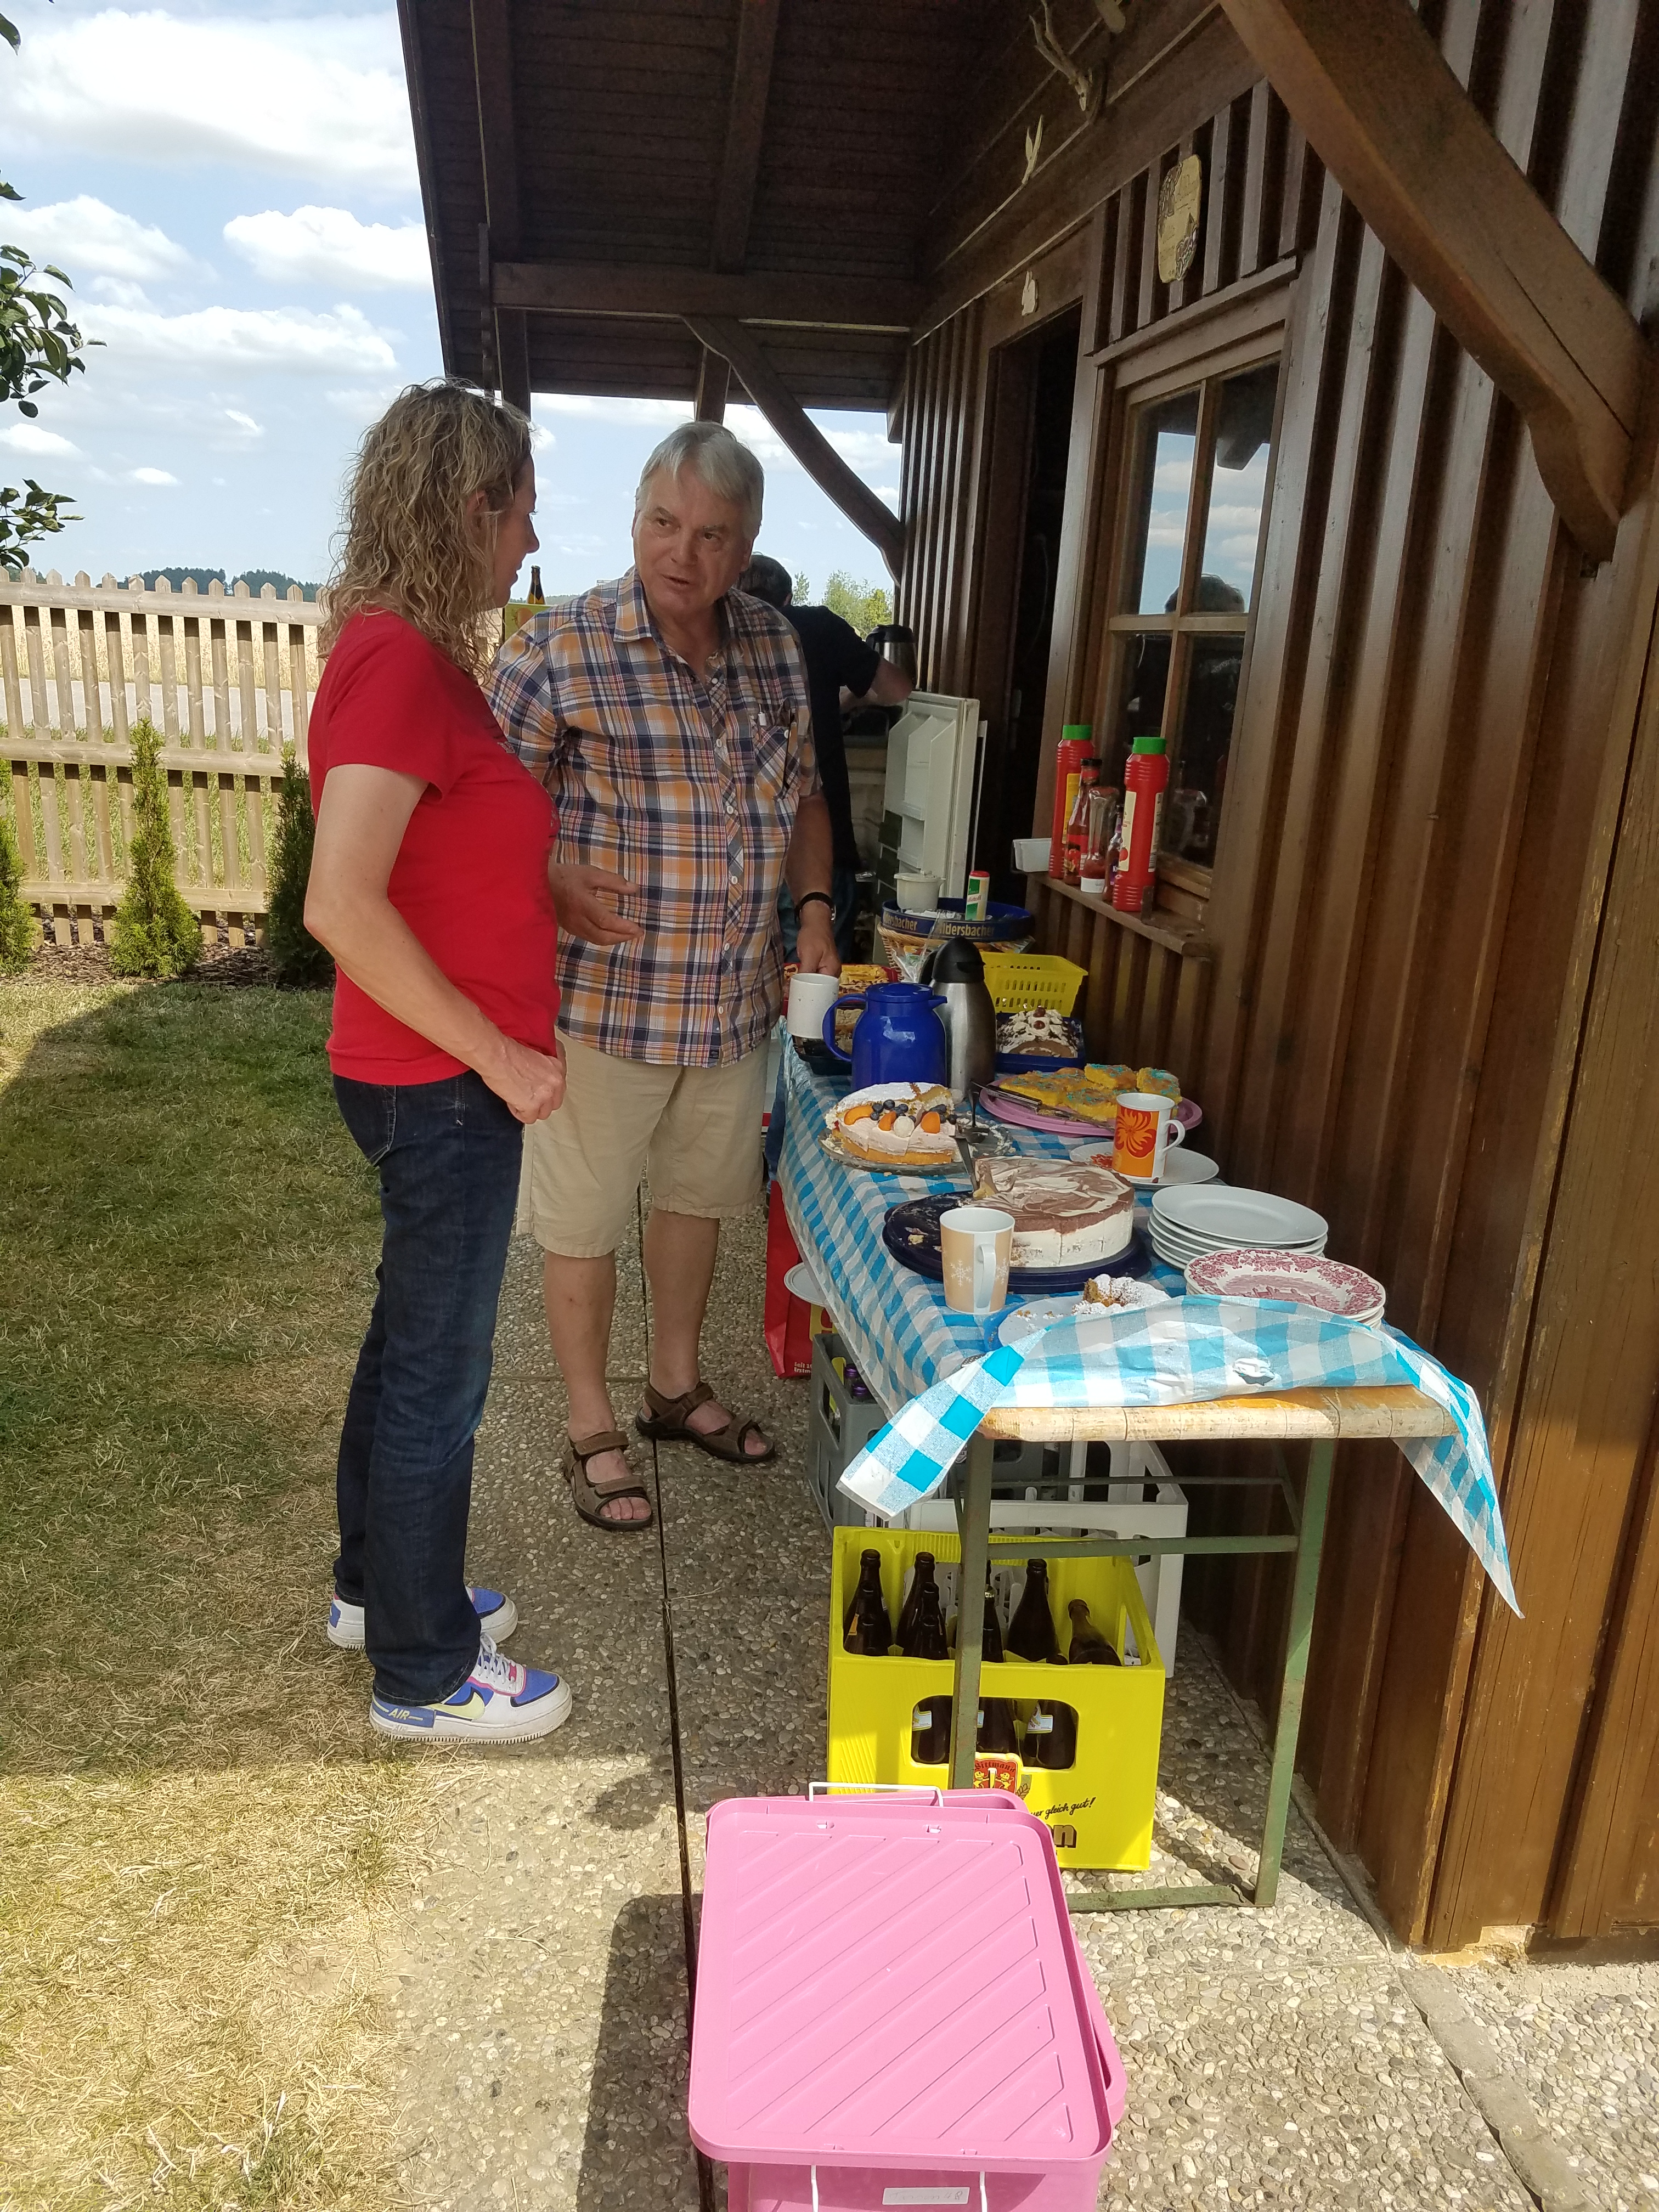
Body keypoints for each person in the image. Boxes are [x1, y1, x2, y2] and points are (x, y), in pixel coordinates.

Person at [488, 422, 838, 1532]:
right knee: (584, 1217)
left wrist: (814, 910)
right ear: (634, 516)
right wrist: (547, 873)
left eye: (712, 535)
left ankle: (674, 1386)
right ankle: (590, 1420)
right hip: (604, 1002)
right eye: (662, 523)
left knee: (698, 1201)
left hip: (731, 1004)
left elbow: (807, 796)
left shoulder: (774, 646)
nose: (682, 553)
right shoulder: (560, 645)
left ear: (747, 545)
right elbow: (481, 810)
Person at [303, 380, 572, 1744]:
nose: (532, 538)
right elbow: (341, 903)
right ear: (471, 507)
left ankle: (376, 1591)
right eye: (521, 510)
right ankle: (423, 1673)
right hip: (441, 1085)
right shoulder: (400, 663)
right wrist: (501, 1061)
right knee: (439, 1373)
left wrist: (552, 892)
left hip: (429, 1077)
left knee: (405, 1341)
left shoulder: (414, 656)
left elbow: (435, 848)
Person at [737, 552, 914, 962]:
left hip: (739, 849)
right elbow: (899, 688)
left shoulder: (714, 630)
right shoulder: (817, 625)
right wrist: (848, 698)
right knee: (817, 974)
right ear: (787, 599)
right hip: (820, 841)